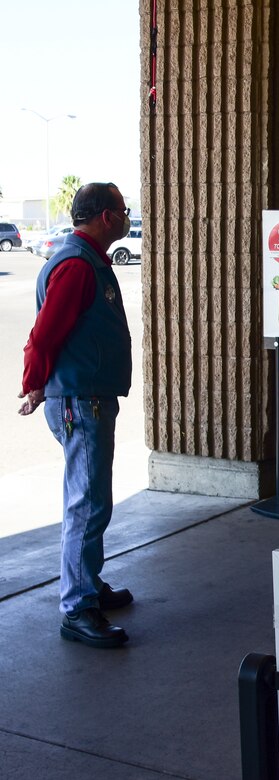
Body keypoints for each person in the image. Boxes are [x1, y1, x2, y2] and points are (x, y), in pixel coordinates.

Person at [18, 182, 134, 648]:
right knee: (86, 504)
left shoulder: (88, 261)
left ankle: (89, 583)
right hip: (79, 402)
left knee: (92, 500)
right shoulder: (75, 266)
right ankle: (78, 607)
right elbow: (43, 335)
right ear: (106, 217)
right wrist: (32, 384)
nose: (128, 218)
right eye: (124, 211)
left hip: (88, 398)